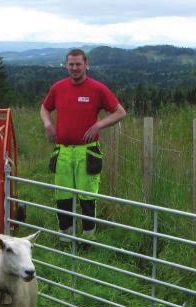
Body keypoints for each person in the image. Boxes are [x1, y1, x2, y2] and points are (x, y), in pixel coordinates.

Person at [40, 48, 127, 241]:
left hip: (87, 152)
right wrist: (48, 124)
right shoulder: (58, 88)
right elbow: (45, 108)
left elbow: (120, 112)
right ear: (66, 65)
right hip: (62, 151)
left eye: (78, 64)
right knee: (63, 196)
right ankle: (65, 238)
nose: (74, 68)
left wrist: (99, 125)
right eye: (71, 64)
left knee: (87, 197)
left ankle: (88, 240)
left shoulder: (97, 88)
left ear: (86, 65)